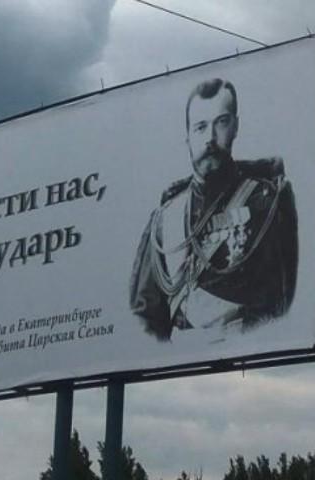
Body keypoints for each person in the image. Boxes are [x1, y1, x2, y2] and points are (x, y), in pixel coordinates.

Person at [129, 78, 298, 340]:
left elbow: (279, 301)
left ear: (235, 127)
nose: (209, 138)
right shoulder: (166, 216)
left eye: (221, 122)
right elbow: (145, 313)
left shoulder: (265, 201)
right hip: (179, 356)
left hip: (244, 346)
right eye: (200, 127)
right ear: (187, 137)